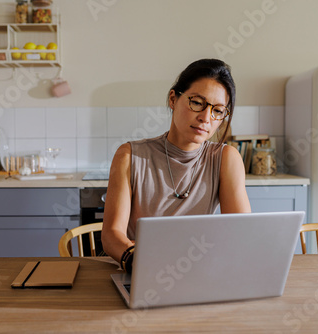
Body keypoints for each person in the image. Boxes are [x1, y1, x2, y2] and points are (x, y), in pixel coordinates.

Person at [101, 58, 251, 272]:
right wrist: (140, 262)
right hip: (142, 270)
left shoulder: (226, 158)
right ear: (173, 99)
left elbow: (241, 232)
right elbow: (111, 235)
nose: (205, 118)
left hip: (200, 272)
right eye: (197, 102)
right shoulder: (130, 155)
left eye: (218, 110)